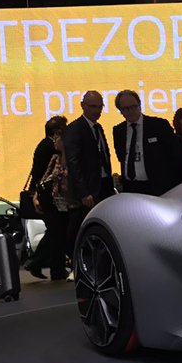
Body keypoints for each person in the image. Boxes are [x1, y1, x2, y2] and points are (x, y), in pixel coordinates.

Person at [63, 90, 115, 250]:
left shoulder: (98, 128)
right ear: (83, 106)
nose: (97, 111)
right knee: (82, 227)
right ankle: (75, 256)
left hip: (104, 184)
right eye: (93, 106)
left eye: (100, 107)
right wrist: (84, 192)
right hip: (88, 189)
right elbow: (73, 162)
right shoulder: (75, 129)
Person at [112, 89, 181, 195]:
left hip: (156, 187)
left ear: (140, 105)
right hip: (130, 187)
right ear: (120, 111)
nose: (131, 111)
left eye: (133, 107)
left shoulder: (159, 125)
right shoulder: (118, 130)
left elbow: (175, 154)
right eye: (126, 108)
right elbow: (121, 157)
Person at [26, 116, 69, 280]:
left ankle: (53, 267)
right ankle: (39, 262)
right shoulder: (51, 148)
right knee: (57, 230)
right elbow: (44, 173)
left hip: (47, 195)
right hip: (50, 196)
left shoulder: (43, 145)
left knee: (56, 231)